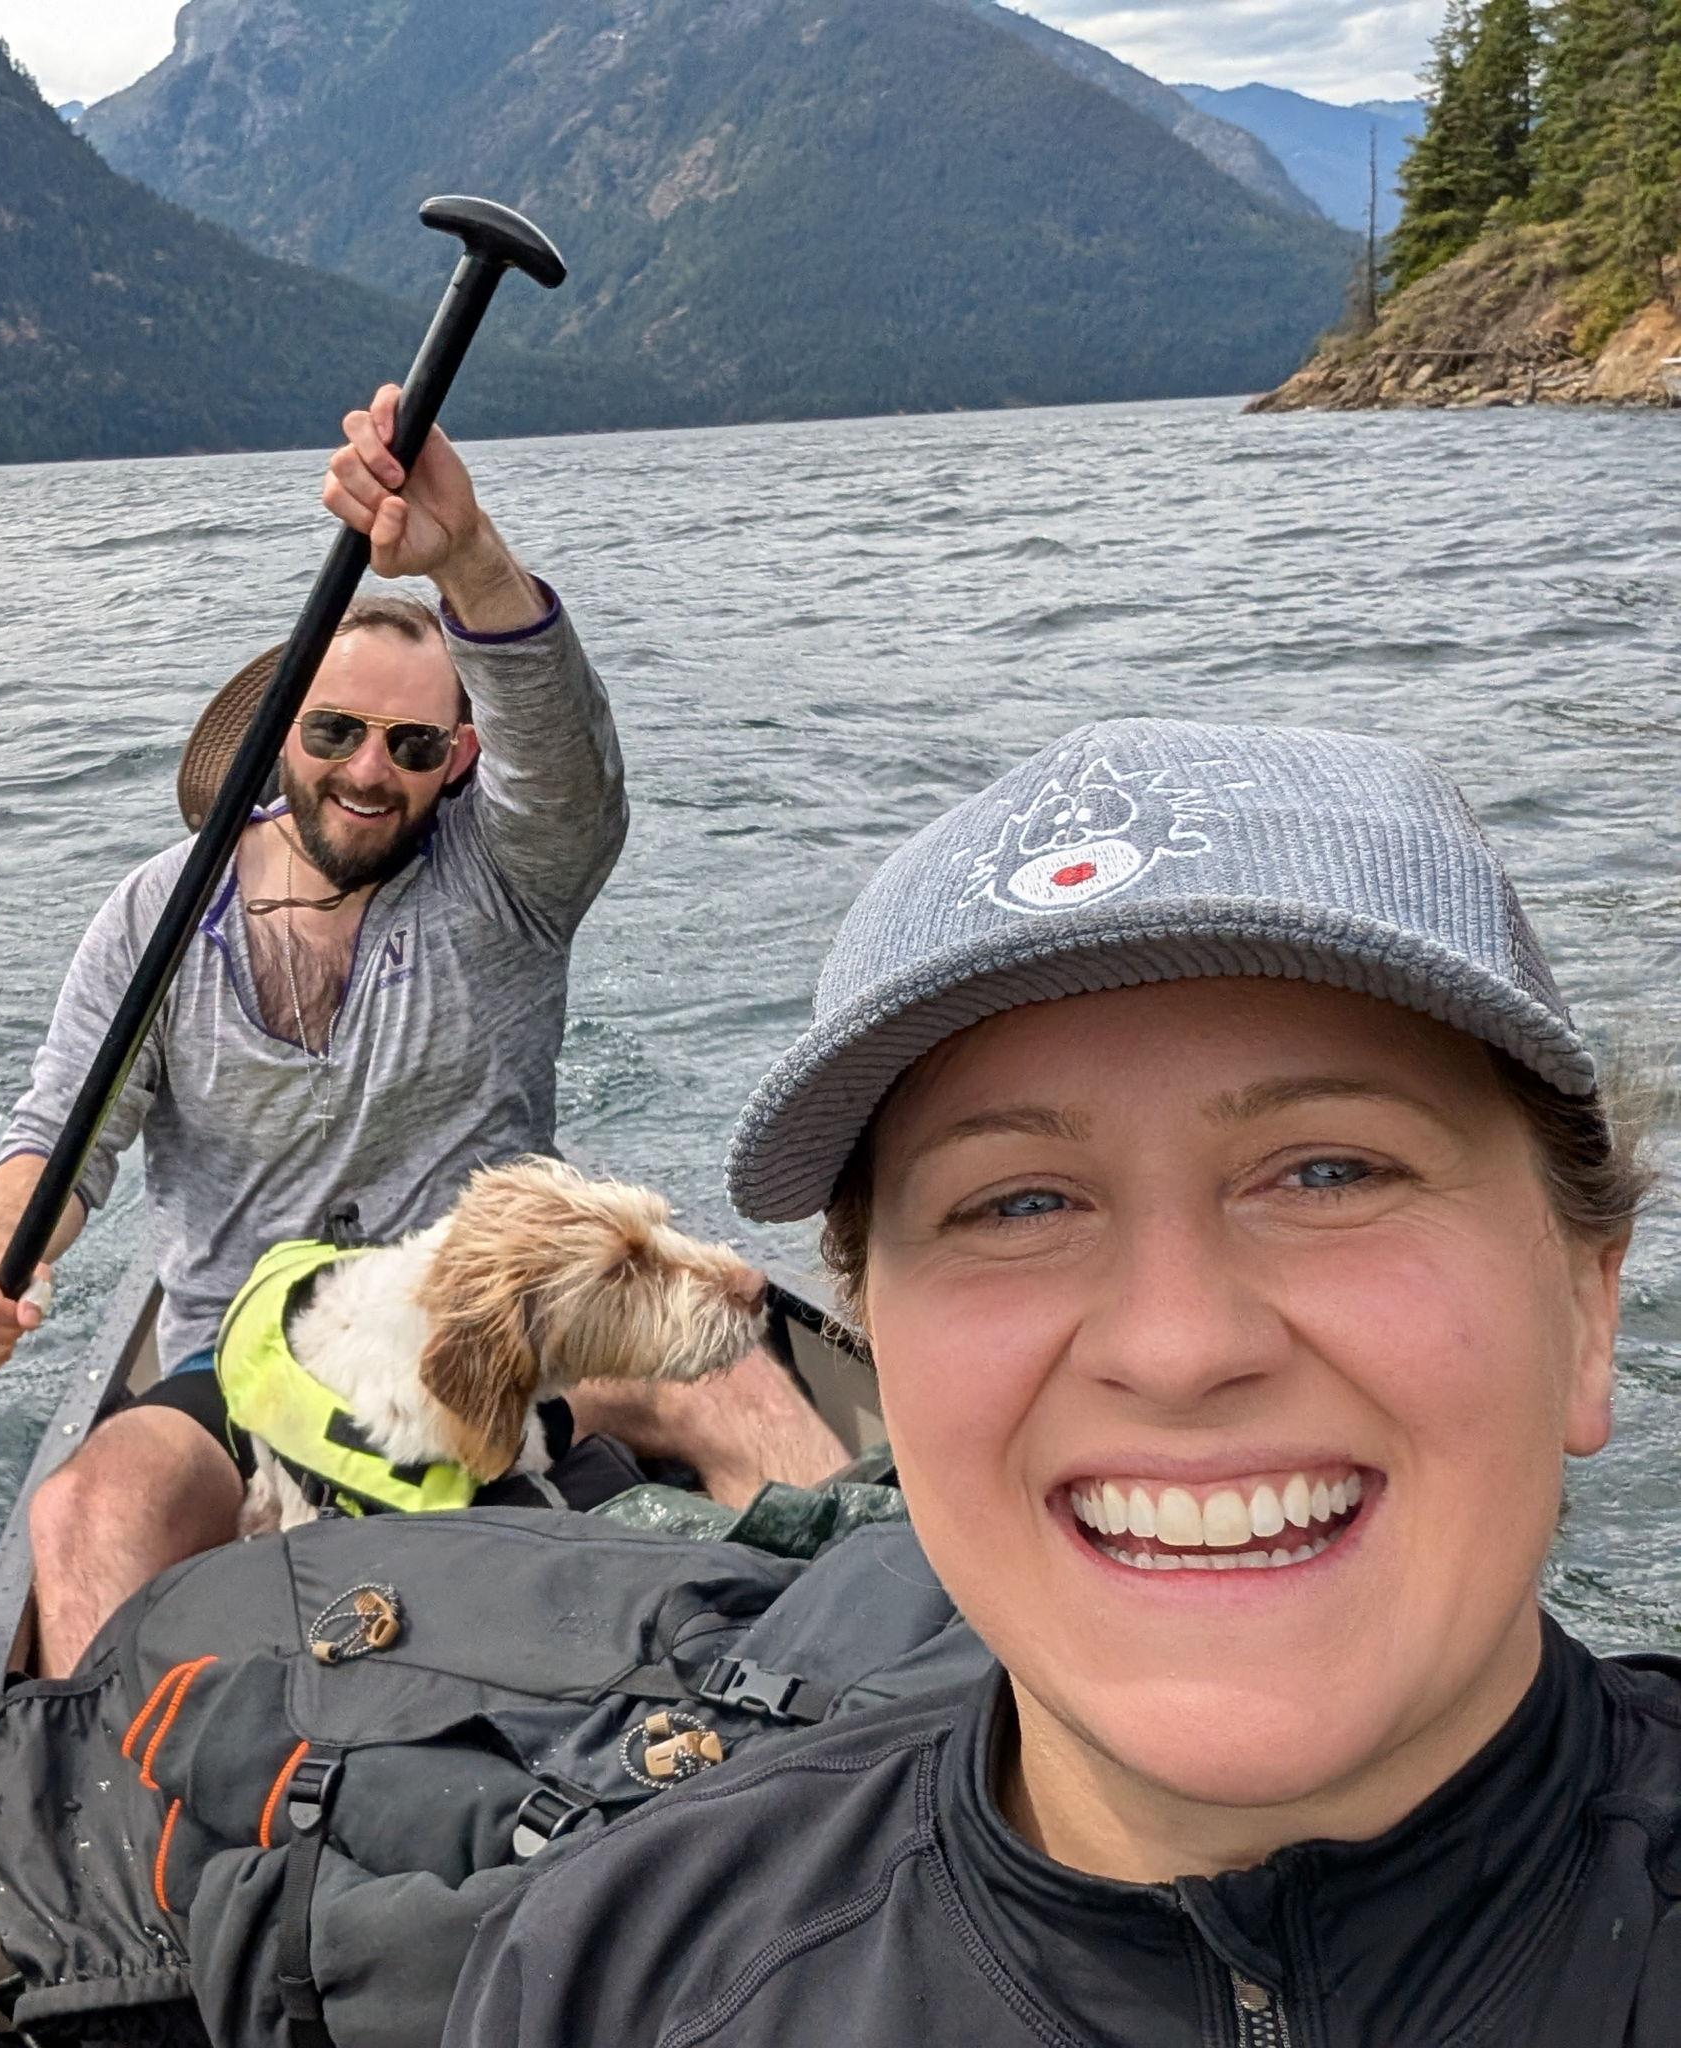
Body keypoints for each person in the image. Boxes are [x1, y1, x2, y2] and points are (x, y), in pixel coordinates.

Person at [446, 716, 1681, 2045]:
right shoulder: (608, 1979)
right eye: (1018, 1204)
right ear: (885, 1346)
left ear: (1585, 1304)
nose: (1177, 1345)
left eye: (1331, 1171)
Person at [0, 388, 843, 1676]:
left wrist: (465, 553)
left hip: (498, 1335)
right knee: (84, 1509)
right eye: (337, 732)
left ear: (457, 760)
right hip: (241, 1364)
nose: (369, 770)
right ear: (280, 733)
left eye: (413, 745)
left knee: (733, 1374)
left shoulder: (511, 877)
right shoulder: (157, 911)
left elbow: (568, 763)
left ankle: (872, 1659)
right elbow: (59, 1145)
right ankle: (122, 1824)